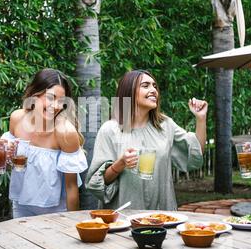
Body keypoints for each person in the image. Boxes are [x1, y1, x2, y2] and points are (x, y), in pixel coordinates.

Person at [86, 69, 207, 211]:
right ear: (129, 91)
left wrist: (201, 119)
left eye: (154, 86)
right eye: (145, 86)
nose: (153, 90)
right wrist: (120, 164)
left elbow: (195, 152)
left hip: (162, 216)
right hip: (123, 218)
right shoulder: (110, 130)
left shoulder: (166, 125)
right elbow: (97, 183)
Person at [1, 68, 88, 218]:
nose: (55, 106)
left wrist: (72, 223)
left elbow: (71, 186)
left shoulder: (65, 132)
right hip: (21, 206)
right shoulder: (17, 118)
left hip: (56, 210)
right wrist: (6, 155)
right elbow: (12, 166)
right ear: (35, 94)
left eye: (61, 101)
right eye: (50, 97)